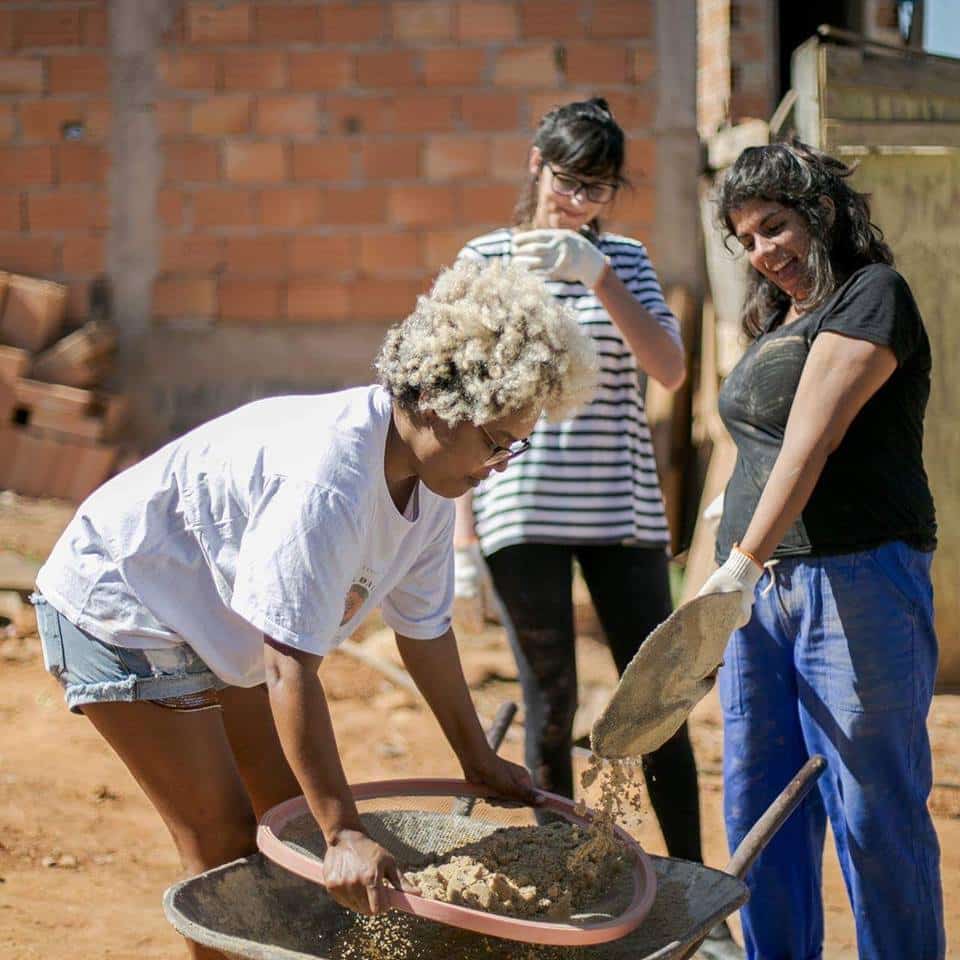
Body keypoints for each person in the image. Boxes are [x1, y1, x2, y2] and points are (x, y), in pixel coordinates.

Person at [32, 261, 597, 960]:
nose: (500, 463)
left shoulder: (430, 487)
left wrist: (476, 757)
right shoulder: (331, 482)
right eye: (493, 441)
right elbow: (287, 667)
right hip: (125, 604)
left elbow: (424, 634)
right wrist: (344, 833)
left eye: (516, 444)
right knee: (228, 853)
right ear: (435, 400)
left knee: (287, 832)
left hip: (214, 619)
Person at [451, 98, 738, 953]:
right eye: (570, 181)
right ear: (536, 163)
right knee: (550, 707)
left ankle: (693, 900)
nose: (580, 201)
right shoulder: (485, 260)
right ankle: (556, 897)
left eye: (599, 188)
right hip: (520, 508)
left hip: (620, 512)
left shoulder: (623, 258)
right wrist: (461, 540)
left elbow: (671, 370)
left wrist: (598, 275)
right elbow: (453, 399)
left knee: (655, 701)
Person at [698, 141, 944, 959]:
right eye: (749, 239)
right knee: (757, 804)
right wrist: (714, 576)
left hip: (857, 580)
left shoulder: (874, 296)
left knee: (872, 808)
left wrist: (741, 563)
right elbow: (743, 447)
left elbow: (812, 441)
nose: (766, 251)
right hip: (760, 593)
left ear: (822, 212)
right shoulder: (778, 320)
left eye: (776, 225)